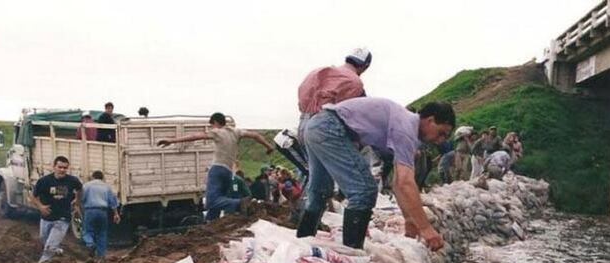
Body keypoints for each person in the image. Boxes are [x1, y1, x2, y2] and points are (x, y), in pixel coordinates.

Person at [297, 98, 454, 250]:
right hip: (330, 128)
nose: (440, 141)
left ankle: (302, 243)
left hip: (316, 125)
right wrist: (426, 228)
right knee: (364, 190)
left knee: (321, 191)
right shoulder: (406, 129)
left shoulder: (403, 122)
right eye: (441, 133)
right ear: (430, 120)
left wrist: (409, 219)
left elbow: (398, 184)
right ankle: (353, 252)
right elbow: (406, 183)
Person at [157, 112, 273, 221]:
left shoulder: (217, 132)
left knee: (211, 202)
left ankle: (239, 203)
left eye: (212, 125)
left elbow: (196, 136)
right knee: (218, 201)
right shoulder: (236, 132)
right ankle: (211, 223)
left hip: (217, 169)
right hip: (228, 172)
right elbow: (255, 135)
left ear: (216, 122)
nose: (212, 127)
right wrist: (268, 147)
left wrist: (172, 140)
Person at [297, 48, 372, 145]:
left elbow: (301, 100)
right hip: (324, 128)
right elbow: (349, 115)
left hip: (303, 125)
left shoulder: (317, 72)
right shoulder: (354, 82)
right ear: (365, 66)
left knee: (313, 160)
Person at [30, 156, 83, 263]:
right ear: (54, 167)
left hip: (63, 218)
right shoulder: (44, 181)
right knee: (44, 240)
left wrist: (77, 202)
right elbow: (33, 196)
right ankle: (57, 251)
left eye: (65, 168)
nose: (62, 170)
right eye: (60, 167)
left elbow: (80, 189)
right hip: (46, 217)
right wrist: (40, 207)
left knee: (50, 245)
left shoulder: (72, 181)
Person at [81, 171, 120, 259]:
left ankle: (90, 244)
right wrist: (116, 214)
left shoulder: (87, 185)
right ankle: (101, 256)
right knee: (102, 233)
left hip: (90, 210)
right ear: (102, 178)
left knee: (87, 231)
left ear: (92, 177)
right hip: (103, 212)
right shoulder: (107, 187)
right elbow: (113, 202)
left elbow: (81, 198)